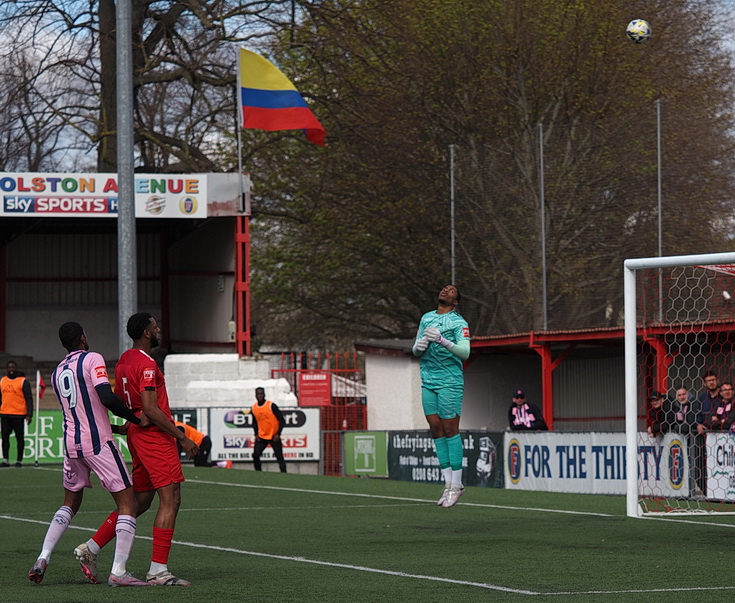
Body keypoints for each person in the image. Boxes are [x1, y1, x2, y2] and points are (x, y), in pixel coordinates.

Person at [74, 313, 199, 587]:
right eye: (155, 327)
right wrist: (182, 437)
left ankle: (90, 548)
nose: (158, 330)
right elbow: (151, 409)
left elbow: (120, 399)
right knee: (172, 498)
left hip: (137, 438)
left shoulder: (124, 361)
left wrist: (125, 426)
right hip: (155, 438)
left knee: (140, 502)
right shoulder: (146, 363)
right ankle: (158, 572)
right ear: (145, 332)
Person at [28, 322, 150, 587]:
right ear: (83, 338)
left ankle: (43, 557)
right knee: (129, 503)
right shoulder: (92, 358)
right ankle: (119, 571)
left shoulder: (57, 371)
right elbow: (105, 397)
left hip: (72, 445)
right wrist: (134, 418)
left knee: (70, 502)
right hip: (97, 443)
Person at [412, 284, 471, 509]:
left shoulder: (459, 323)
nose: (446, 290)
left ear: (455, 302)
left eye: (452, 290)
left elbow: (465, 353)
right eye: (445, 288)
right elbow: (416, 350)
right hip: (428, 380)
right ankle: (448, 484)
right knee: (436, 429)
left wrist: (443, 341)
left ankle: (457, 485)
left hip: (449, 382)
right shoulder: (426, 318)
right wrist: (420, 345)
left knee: (449, 429)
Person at [0, 360, 33, 467]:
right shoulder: (2, 381)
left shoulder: (23, 382)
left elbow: (29, 399)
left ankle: (19, 460)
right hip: (5, 413)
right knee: (5, 438)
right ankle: (5, 460)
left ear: (16, 367)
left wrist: (29, 414)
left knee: (20, 438)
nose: (11, 369)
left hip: (18, 414)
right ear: (7, 369)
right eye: (9, 367)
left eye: (13, 367)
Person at [251, 387, 287, 473]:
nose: (259, 396)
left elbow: (282, 420)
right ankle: (258, 473)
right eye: (258, 394)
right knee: (255, 455)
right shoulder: (254, 408)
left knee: (279, 456)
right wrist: (256, 434)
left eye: (261, 394)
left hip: (274, 435)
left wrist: (278, 433)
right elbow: (254, 422)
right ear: (255, 395)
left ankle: (284, 474)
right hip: (262, 436)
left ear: (264, 395)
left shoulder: (271, 405)